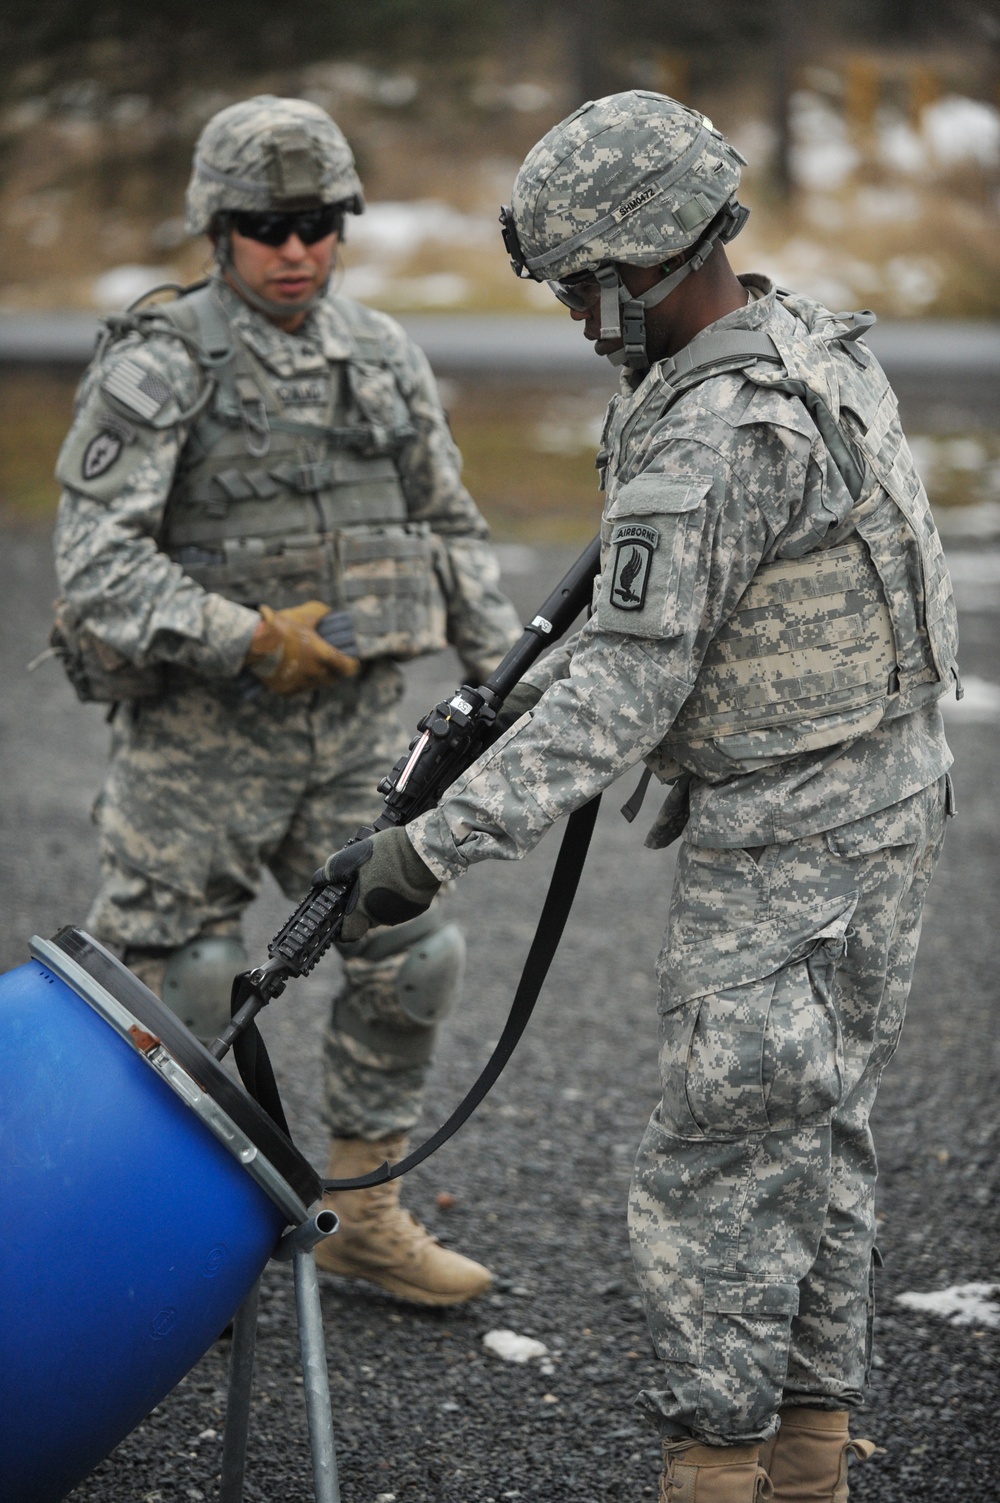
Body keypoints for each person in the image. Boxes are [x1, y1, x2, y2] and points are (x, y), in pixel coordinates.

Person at [317, 92, 960, 1501]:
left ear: (646, 265)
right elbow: (729, 631)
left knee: (722, 1163)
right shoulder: (803, 339)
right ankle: (807, 1459)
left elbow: (621, 688)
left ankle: (717, 1473)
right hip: (879, 802)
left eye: (580, 286)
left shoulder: (712, 432)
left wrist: (425, 849)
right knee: (817, 1137)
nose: (570, 312)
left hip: (798, 838)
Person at [52, 95, 522, 1307]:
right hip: (200, 742)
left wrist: (502, 678)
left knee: (414, 955)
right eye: (268, 225)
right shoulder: (162, 363)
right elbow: (94, 565)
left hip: (359, 738)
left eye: (319, 222)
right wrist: (244, 637)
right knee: (182, 988)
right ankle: (169, 1257)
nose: (297, 250)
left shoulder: (382, 354)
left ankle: (365, 1218)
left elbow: (447, 524)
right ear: (219, 228)